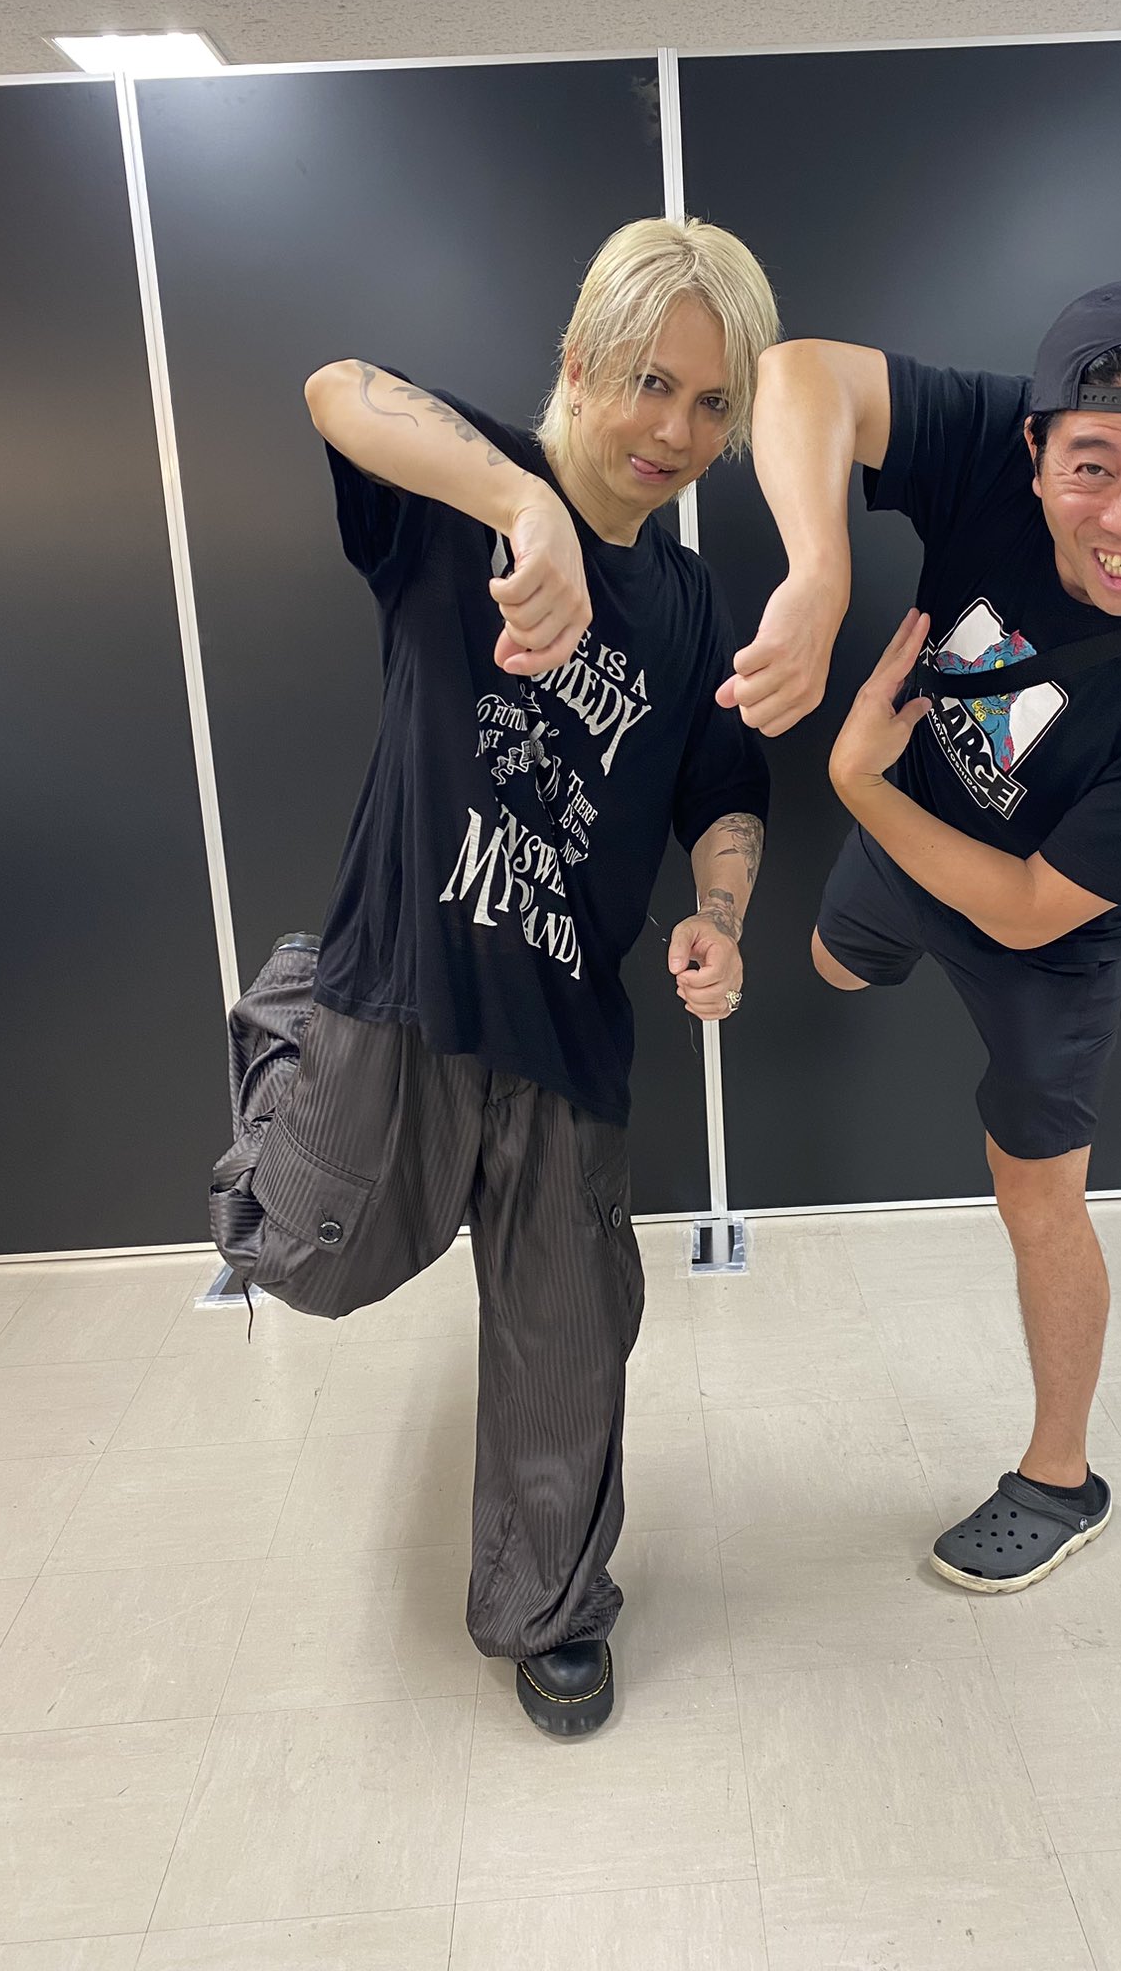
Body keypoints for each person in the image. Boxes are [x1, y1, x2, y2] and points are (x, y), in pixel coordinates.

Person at [725, 276, 1121, 1592]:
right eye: (1092, 465)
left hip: (1049, 936)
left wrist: (858, 782)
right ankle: (873, 945)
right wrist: (820, 576)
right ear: (1034, 450)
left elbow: (1030, 907)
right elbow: (801, 372)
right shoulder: (995, 445)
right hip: (909, 832)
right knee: (834, 961)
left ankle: (1061, 1477)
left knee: (1037, 1193)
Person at [297, 218, 777, 1731]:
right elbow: (335, 388)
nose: (675, 431)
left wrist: (718, 911)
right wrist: (525, 509)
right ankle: (286, 1028)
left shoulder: (689, 606)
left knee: (567, 1338)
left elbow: (727, 788)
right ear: (580, 361)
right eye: (651, 382)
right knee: (299, 1246)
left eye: (712, 405)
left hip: (568, 1030)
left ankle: (550, 1608)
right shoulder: (466, 495)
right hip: (409, 987)